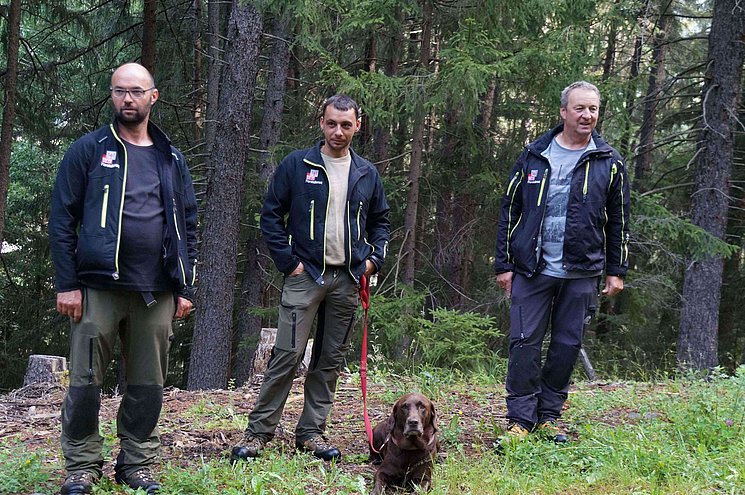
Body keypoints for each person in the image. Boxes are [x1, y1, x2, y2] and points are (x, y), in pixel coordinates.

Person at [49, 63, 198, 494]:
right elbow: (62, 219)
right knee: (84, 382)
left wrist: (184, 286)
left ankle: (137, 463)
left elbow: (188, 222)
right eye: (119, 91)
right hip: (97, 288)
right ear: (111, 96)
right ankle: (81, 464)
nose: (127, 99)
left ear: (154, 96)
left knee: (148, 384)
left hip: (156, 289)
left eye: (136, 92)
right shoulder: (90, 149)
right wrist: (67, 283)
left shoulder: (170, 157)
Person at [231, 94, 390, 463]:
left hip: (349, 279)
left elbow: (381, 221)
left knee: (329, 359)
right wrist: (288, 263)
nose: (338, 131)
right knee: (287, 353)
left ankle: (312, 432)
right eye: (332, 123)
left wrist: (374, 261)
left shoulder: (366, 172)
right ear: (321, 122)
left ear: (357, 126)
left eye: (346, 125)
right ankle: (258, 433)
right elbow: (271, 215)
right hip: (305, 276)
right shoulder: (297, 164)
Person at [494, 81, 630, 445]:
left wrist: (617, 270)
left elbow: (619, 219)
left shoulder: (609, 161)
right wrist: (503, 264)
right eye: (580, 108)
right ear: (564, 112)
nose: (587, 115)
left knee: (566, 346)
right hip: (532, 269)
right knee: (524, 343)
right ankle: (520, 421)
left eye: (593, 109)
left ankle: (549, 416)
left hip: (582, 271)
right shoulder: (534, 154)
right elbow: (510, 208)